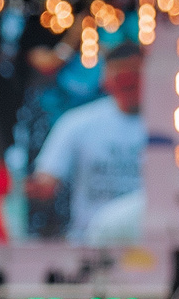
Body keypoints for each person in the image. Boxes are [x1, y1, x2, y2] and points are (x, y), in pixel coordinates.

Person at [27, 38, 146, 244]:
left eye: (134, 77)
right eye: (121, 77)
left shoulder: (170, 125)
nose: (128, 84)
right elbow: (47, 178)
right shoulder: (77, 123)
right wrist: (34, 188)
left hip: (149, 244)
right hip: (90, 245)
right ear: (106, 80)